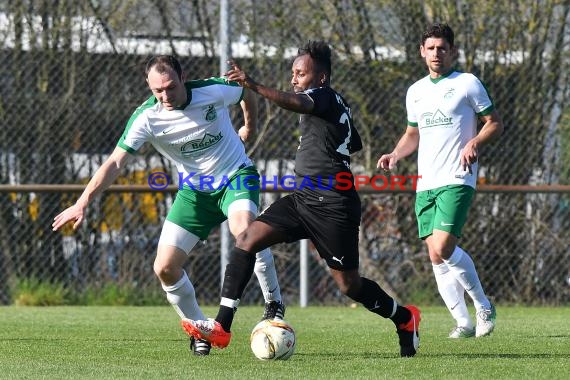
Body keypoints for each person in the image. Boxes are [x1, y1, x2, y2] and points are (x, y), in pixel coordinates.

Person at [181, 41, 421, 358]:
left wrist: (252, 84)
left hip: (334, 204)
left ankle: (405, 319)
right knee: (247, 238)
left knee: (350, 286)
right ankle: (222, 326)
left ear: (321, 78)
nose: (294, 78)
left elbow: (296, 103)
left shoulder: (322, 96)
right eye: (293, 72)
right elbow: (353, 141)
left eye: (301, 73)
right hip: (303, 197)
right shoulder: (333, 103)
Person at [52, 55, 285, 356]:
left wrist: (249, 128)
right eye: (157, 91)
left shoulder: (213, 91)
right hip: (195, 193)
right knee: (164, 268)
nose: (165, 96)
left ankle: (274, 303)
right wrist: (82, 202)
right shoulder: (147, 117)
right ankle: (201, 328)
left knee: (245, 232)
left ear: (182, 76)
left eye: (170, 87)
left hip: (236, 176)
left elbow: (246, 91)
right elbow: (114, 162)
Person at [377, 23, 503, 339]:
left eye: (442, 48)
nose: (436, 53)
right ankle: (463, 322)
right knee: (435, 254)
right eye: (431, 48)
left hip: (458, 176)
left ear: (452, 51)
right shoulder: (416, 91)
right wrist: (395, 154)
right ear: (422, 52)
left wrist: (474, 142)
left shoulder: (467, 83)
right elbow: (412, 134)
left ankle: (484, 305)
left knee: (445, 246)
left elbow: (494, 122)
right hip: (426, 180)